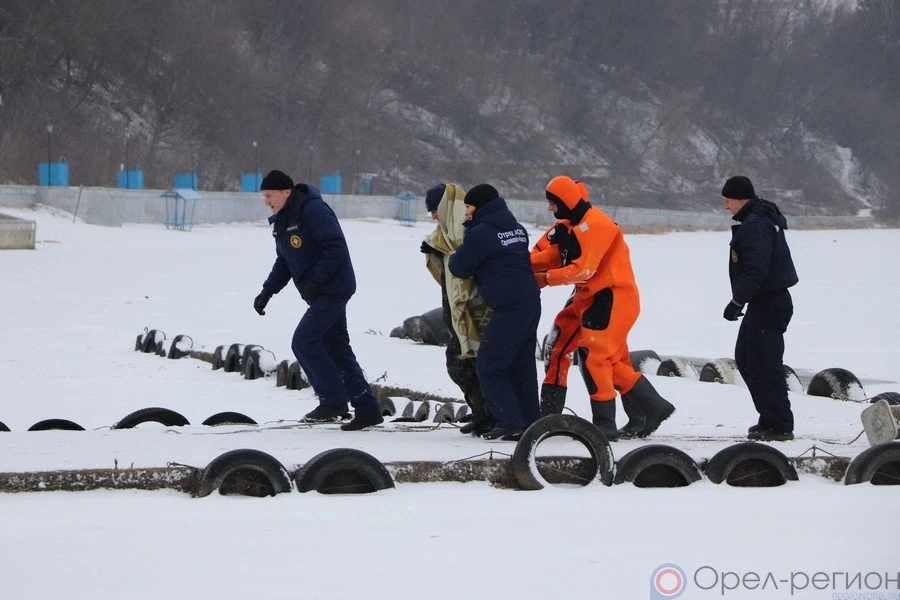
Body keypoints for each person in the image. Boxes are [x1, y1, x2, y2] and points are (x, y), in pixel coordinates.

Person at [531, 175, 674, 441]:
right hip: (592, 299)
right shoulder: (571, 224)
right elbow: (555, 255)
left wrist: (544, 279)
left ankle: (605, 425)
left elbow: (583, 269)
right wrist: (523, 263)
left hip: (612, 298)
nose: (550, 208)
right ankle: (654, 407)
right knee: (596, 355)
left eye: (552, 203)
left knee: (595, 358)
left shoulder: (595, 225)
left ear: (565, 201)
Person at [252, 169, 383, 431]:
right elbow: (285, 261)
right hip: (319, 293)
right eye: (264, 196)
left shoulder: (313, 211)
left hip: (334, 288)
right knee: (337, 349)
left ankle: (334, 401)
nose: (266, 201)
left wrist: (316, 281)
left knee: (304, 341)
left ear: (286, 192)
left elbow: (335, 246)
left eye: (269, 195)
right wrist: (268, 291)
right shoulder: (283, 219)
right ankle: (367, 409)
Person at [448, 183, 541, 441]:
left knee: (489, 364)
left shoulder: (482, 233)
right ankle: (532, 421)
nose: (465, 212)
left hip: (509, 307)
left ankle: (509, 422)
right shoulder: (517, 228)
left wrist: (466, 237)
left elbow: (460, 267)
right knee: (522, 366)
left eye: (468, 207)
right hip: (531, 301)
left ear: (479, 207)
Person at [721, 175, 799, 441]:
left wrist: (736, 301)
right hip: (764, 301)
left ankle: (779, 425)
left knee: (764, 363)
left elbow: (757, 268)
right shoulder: (757, 220)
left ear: (741, 198)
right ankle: (769, 417)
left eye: (728, 200)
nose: (726, 206)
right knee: (746, 357)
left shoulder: (756, 225)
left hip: (770, 301)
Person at [420, 183, 495, 435]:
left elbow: (465, 262)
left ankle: (490, 414)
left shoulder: (469, 229)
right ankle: (482, 412)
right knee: (462, 363)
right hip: (455, 311)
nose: (432, 216)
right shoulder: (445, 232)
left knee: (465, 363)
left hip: (477, 310)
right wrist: (433, 251)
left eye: (434, 210)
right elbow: (444, 255)